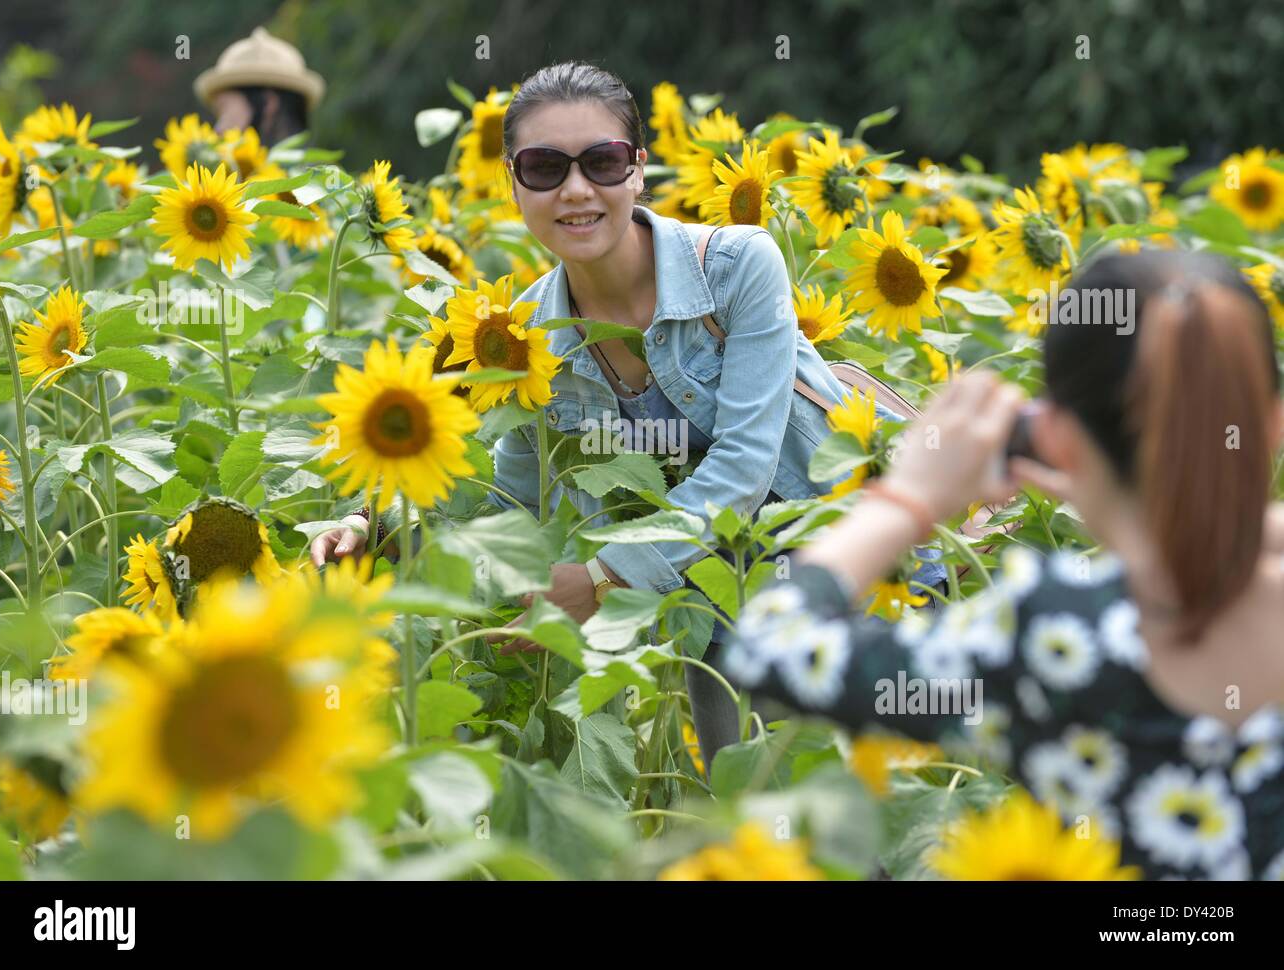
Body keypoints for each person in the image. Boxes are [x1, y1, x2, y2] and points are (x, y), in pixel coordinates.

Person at [310, 61, 945, 774]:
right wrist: (384, 527)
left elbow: (745, 467)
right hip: (717, 621)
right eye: (545, 167)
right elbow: (515, 501)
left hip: (854, 565)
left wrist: (605, 579)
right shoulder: (529, 342)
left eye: (603, 162)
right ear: (514, 184)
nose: (577, 190)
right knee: (762, 816)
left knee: (888, 819)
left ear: (638, 170)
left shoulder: (738, 267)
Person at [722, 249, 1284, 879]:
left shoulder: (1055, 630)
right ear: (1276, 423)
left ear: (1059, 440)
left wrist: (909, 498)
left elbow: (770, 644)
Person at [193, 26, 324, 142]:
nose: (218, 129)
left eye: (225, 109)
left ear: (268, 103)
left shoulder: (305, 170)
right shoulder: (322, 167)